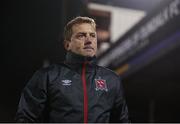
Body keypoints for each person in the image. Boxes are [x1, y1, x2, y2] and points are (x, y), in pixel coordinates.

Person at [15, 16, 130, 123]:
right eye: (81, 35)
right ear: (67, 45)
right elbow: (25, 119)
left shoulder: (111, 79)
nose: (89, 40)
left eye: (92, 35)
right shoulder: (47, 76)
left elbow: (122, 120)